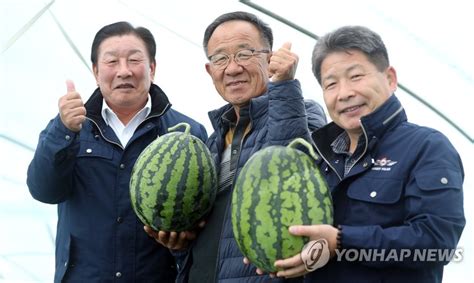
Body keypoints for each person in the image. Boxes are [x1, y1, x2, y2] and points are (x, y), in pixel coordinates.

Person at [270, 25, 465, 283]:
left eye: (356, 76)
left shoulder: (427, 147)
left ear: (390, 78)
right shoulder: (320, 160)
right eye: (331, 84)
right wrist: (274, 255)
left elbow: (435, 244)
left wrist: (341, 242)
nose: (345, 93)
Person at [145, 11, 327, 282]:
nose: (232, 68)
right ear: (210, 70)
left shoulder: (303, 111)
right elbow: (213, 238)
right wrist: (181, 245)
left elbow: (289, 180)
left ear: (269, 58)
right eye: (220, 58)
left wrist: (285, 85)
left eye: (244, 54)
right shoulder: (211, 142)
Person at [26, 21, 207, 282]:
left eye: (134, 60)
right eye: (112, 62)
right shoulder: (70, 129)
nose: (124, 71)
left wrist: (182, 241)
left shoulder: (187, 133)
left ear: (152, 68)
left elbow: (203, 219)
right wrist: (63, 130)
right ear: (96, 71)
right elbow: (43, 189)